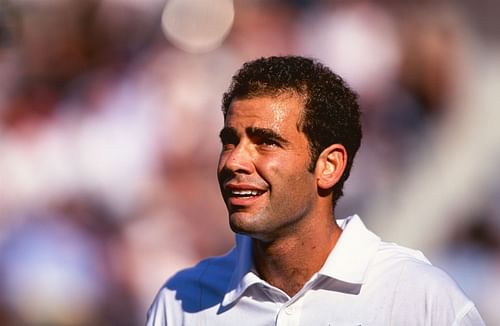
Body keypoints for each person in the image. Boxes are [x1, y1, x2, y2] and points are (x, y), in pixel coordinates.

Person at [146, 56, 484, 325]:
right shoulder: (182, 302)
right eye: (230, 141)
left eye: (266, 142)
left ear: (329, 166)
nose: (234, 161)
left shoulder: (421, 300)